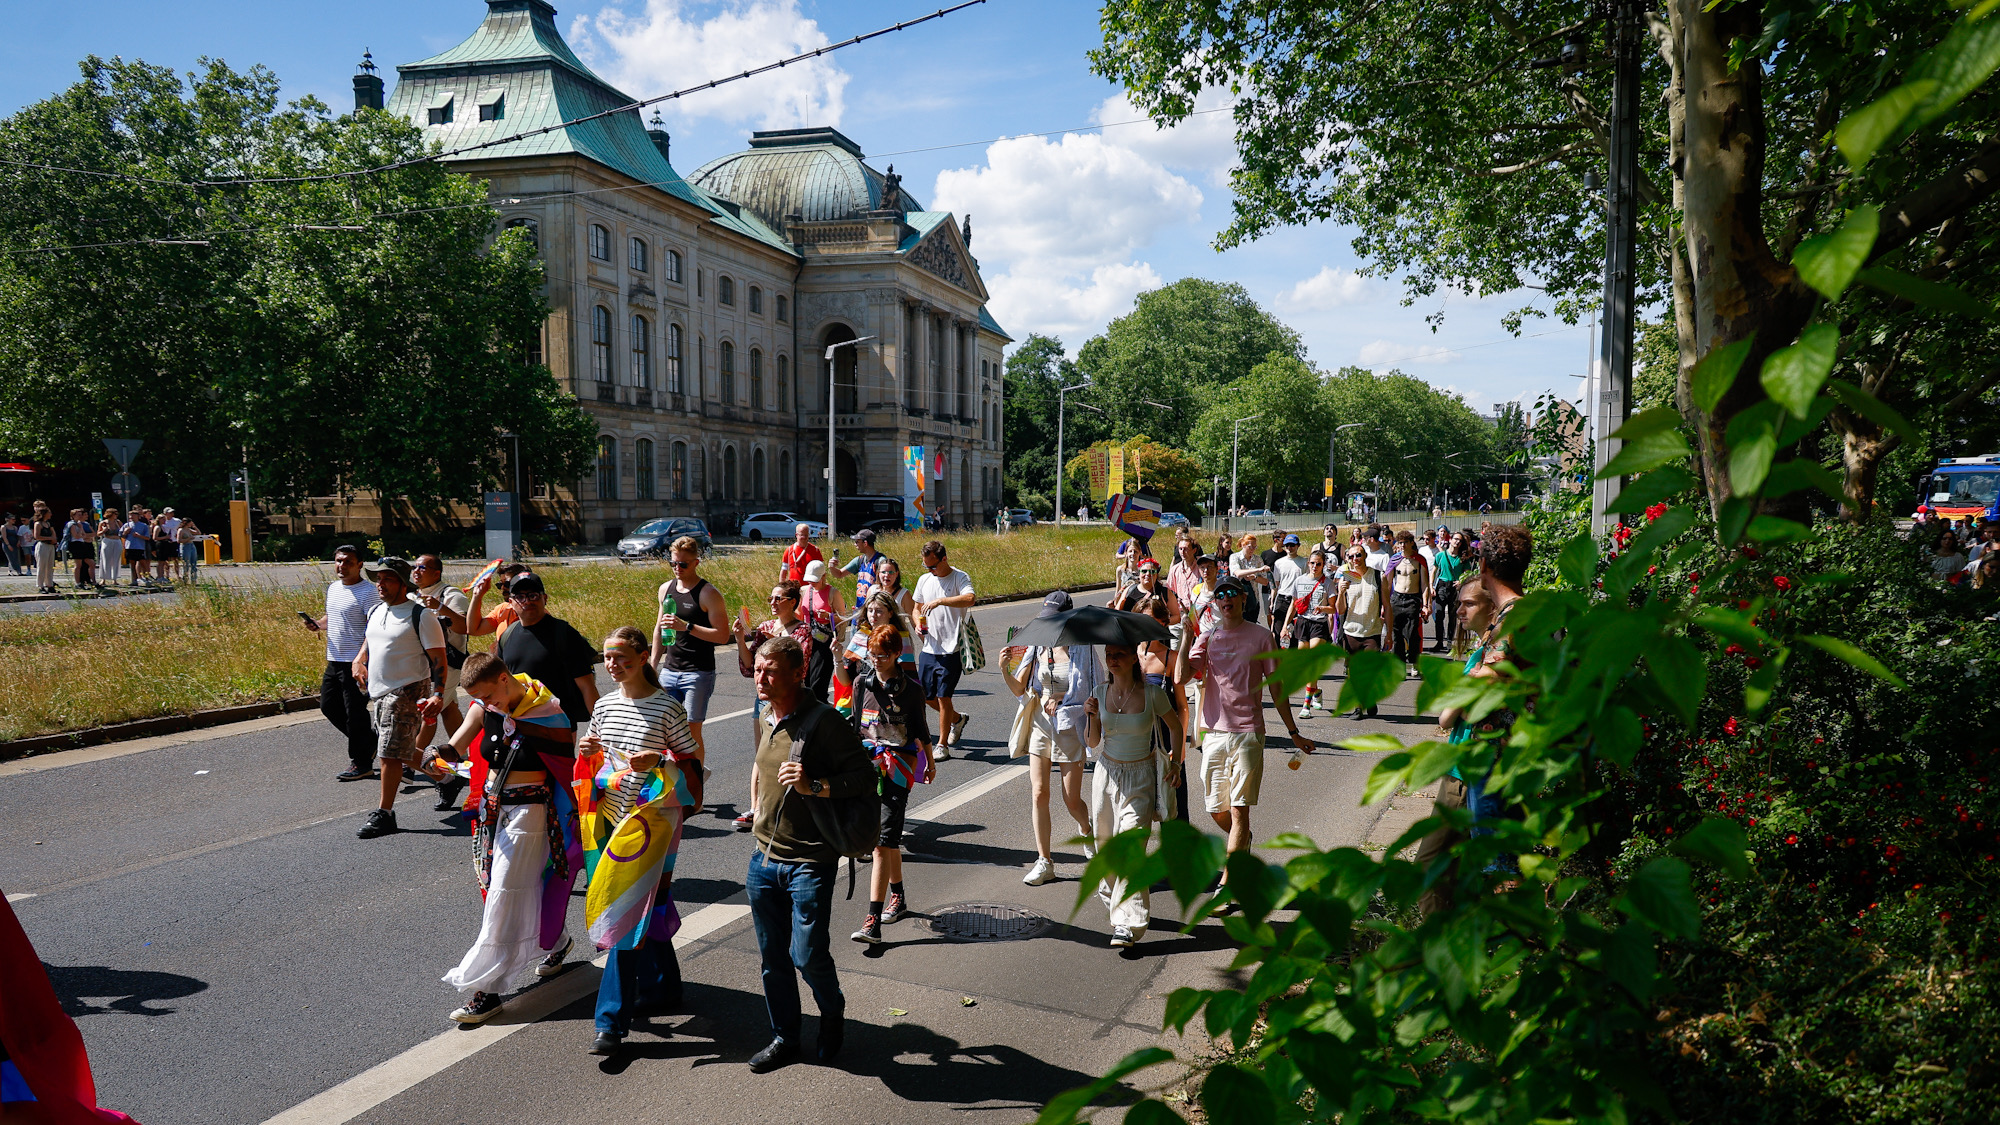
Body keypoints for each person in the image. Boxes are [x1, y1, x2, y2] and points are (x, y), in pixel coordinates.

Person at [745, 635, 875, 1072]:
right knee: (772, 959)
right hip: (763, 859)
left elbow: (863, 778)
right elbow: (761, 769)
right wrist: (757, 808)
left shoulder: (824, 722)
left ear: (798, 674)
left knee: (807, 954)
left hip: (810, 861)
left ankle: (832, 1011)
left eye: (770, 671)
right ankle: (785, 1036)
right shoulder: (766, 715)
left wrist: (814, 785)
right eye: (758, 669)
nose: (760, 678)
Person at [579, 626, 703, 1055]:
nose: (613, 665)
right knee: (647, 904)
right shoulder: (604, 706)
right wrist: (587, 750)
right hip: (611, 821)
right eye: (607, 659)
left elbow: (690, 762)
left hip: (652, 825)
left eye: (621, 657)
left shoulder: (667, 708)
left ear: (641, 657)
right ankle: (665, 987)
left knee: (624, 915)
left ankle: (610, 1023)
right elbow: (597, 762)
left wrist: (661, 758)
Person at [439, 652, 581, 1025]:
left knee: (504, 893)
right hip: (492, 813)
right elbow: (455, 749)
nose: (486, 705)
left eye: (489, 696)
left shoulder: (548, 712)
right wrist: (435, 759)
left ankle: (487, 990)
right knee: (506, 887)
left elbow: (568, 765)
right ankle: (556, 939)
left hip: (531, 812)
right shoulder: (487, 708)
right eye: (480, 700)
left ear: (504, 678)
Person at [1177, 576, 1312, 871]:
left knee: (1239, 810)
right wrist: (1186, 637)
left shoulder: (1262, 637)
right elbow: (1181, 677)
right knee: (1216, 809)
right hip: (1213, 732)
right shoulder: (1208, 637)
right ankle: (1243, 840)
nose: (1226, 599)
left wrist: (1293, 732)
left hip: (1249, 733)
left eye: (1232, 594)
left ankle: (1230, 880)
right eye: (1220, 595)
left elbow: (1277, 689)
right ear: (1216, 602)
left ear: (1243, 599)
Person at [839, 625, 935, 945]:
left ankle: (872, 922)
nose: (876, 660)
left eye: (882, 655)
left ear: (896, 654)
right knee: (890, 840)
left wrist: (931, 763)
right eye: (872, 654)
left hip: (898, 768)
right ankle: (899, 897)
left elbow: (921, 730)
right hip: (868, 767)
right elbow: (855, 728)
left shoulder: (910, 691)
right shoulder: (860, 684)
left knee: (881, 841)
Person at [1083, 642, 1183, 947]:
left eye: (1119, 653)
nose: (1113, 659)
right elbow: (1092, 742)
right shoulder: (1100, 693)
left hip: (1140, 777)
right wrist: (1090, 715)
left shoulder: (1152, 693)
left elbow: (1176, 728)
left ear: (1132, 659)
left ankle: (1130, 923)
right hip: (1106, 776)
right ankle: (1116, 900)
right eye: (1108, 654)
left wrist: (1176, 763)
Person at [1000, 592, 1097, 886]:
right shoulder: (1038, 645)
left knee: (1071, 799)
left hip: (1070, 728)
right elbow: (1021, 689)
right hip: (1042, 725)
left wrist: (1065, 701)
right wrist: (1004, 667)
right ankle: (1045, 862)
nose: (1048, 623)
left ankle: (1086, 828)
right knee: (1039, 793)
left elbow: (1092, 692)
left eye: (1054, 617)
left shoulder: (1083, 647)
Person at [351, 557, 447, 839]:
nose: (380, 584)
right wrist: (359, 659)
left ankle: (385, 814)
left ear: (402, 584)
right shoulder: (376, 610)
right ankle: (447, 778)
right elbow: (371, 638)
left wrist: (439, 694)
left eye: (387, 579)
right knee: (400, 749)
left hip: (407, 691)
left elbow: (438, 658)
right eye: (378, 578)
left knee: (388, 754)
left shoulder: (420, 616)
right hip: (379, 692)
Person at [731, 580, 815, 832]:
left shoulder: (803, 630)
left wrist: (777, 641)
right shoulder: (765, 628)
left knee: (790, 751)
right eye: (771, 598)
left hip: (791, 697)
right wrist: (739, 639)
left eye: (778, 599)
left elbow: (801, 663)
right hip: (765, 698)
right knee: (762, 751)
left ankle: (788, 804)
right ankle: (756, 808)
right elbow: (749, 666)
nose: (773, 603)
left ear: (792, 602)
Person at [305, 545, 383, 781]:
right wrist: (318, 624)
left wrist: (362, 659)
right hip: (335, 659)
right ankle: (369, 743)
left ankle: (361, 763)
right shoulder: (334, 588)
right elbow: (334, 616)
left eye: (348, 561)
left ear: (360, 565)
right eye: (339, 561)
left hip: (358, 662)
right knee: (329, 706)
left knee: (355, 713)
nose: (342, 566)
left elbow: (375, 627)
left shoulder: (369, 592)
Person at [653, 536, 732, 763]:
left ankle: (695, 786)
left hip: (698, 673)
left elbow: (722, 635)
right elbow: (659, 629)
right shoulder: (665, 589)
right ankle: (675, 784)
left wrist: (686, 627)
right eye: (673, 563)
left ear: (696, 563)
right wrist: (652, 665)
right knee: (666, 729)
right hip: (670, 670)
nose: (677, 568)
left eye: (683, 564)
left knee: (690, 731)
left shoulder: (708, 593)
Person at [495, 573, 600, 728]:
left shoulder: (565, 633)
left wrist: (600, 727)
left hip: (559, 726)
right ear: (511, 602)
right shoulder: (506, 636)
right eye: (520, 597)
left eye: (533, 595)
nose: (527, 601)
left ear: (545, 598)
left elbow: (587, 686)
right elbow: (502, 685)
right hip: (519, 724)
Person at [913, 539, 975, 758]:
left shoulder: (959, 577)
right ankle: (957, 719)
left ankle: (942, 745)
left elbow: (970, 598)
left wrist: (941, 601)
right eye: (926, 566)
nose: (930, 570)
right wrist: (918, 624)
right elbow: (916, 607)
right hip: (929, 647)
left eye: (933, 566)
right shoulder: (924, 580)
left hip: (952, 648)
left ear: (944, 559)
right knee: (926, 696)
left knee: (943, 697)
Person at [1335, 543, 1391, 718]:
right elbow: (1340, 610)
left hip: (1372, 631)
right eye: (1351, 557)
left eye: (1358, 555)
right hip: (1351, 631)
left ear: (1365, 556)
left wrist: (1389, 634)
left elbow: (1387, 606)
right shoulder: (1346, 577)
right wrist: (1340, 593)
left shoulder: (1377, 575)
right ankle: (1358, 707)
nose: (1355, 559)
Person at [1284, 550, 1337, 717]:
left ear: (1323, 565)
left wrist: (1322, 608)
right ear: (1308, 563)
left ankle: (1305, 705)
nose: (1315, 566)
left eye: (1319, 564)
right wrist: (1285, 625)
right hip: (1302, 622)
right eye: (1313, 563)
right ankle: (1317, 691)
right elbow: (1293, 605)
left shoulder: (1327, 583)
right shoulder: (1299, 581)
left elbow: (1333, 608)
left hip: (1319, 623)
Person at [1386, 530, 1432, 671]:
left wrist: (1426, 605)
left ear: (1412, 543)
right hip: (1397, 599)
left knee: (1412, 633)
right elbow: (1388, 584)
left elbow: (1425, 584)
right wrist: (1385, 604)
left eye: (1406, 542)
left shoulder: (1419, 560)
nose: (1403, 545)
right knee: (1397, 634)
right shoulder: (1395, 559)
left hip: (1413, 599)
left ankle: (1414, 663)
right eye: (1400, 542)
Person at [799, 559, 845, 700]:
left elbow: (843, 618)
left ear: (824, 576)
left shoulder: (833, 593)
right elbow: (800, 614)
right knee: (804, 680)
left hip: (824, 642)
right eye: (809, 580)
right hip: (807, 640)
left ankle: (820, 711)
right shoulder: (804, 591)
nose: (812, 584)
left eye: (815, 580)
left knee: (818, 682)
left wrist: (829, 616)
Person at [1430, 530, 1474, 652]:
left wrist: (1461, 582)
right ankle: (1439, 641)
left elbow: (1468, 574)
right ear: (1450, 540)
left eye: (1460, 540)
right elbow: (1434, 571)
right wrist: (1431, 586)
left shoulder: (1463, 558)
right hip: (1442, 586)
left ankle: (1449, 641)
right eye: (1455, 539)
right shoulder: (1440, 555)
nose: (1457, 542)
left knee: (1452, 616)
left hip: (1455, 587)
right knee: (1438, 615)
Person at [839, 528, 882, 621]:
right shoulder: (860, 560)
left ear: (865, 543)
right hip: (858, 612)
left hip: (873, 613)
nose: (855, 544)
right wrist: (832, 566)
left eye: (857, 541)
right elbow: (839, 574)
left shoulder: (880, 561)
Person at [1229, 534, 1268, 625]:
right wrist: (1257, 570)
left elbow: (1265, 582)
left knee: (1251, 628)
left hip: (1253, 600)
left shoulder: (1258, 560)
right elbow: (1238, 573)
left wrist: (1255, 577)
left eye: (1255, 547)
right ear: (1243, 545)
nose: (1252, 550)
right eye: (1250, 547)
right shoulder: (1235, 557)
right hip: (1237, 600)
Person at [63, 508, 96, 590]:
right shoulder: (72, 524)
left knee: (90, 562)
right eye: (78, 515)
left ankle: (91, 580)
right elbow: (76, 536)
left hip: (81, 543)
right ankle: (77, 582)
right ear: (73, 515)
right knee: (78, 565)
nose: (80, 516)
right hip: (75, 544)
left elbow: (84, 535)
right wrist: (81, 530)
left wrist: (82, 532)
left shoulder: (79, 524)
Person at [29, 501, 57, 594]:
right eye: (49, 513)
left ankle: (49, 584)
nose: (50, 514)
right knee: (42, 566)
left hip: (50, 546)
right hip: (42, 545)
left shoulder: (48, 524)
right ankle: (40, 585)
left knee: (50, 566)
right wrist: (49, 538)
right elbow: (37, 536)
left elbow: (54, 534)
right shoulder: (38, 524)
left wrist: (54, 540)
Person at [120, 508, 151, 587]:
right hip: (129, 547)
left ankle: (147, 579)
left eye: (133, 516)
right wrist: (125, 532)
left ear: (138, 516)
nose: (131, 517)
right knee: (132, 564)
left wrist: (139, 536)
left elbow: (147, 537)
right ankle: (134, 580)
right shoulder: (126, 525)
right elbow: (121, 535)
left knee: (143, 563)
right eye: (130, 516)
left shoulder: (143, 526)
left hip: (139, 547)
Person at [95, 508, 122, 587]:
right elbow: (98, 534)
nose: (116, 515)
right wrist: (104, 530)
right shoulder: (103, 523)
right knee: (105, 560)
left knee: (116, 559)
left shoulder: (118, 522)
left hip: (117, 541)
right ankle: (104, 578)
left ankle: (115, 579)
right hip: (107, 540)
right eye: (115, 514)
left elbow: (122, 531)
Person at [176, 517, 202, 585]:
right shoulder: (181, 530)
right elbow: (179, 540)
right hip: (185, 546)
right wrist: (188, 538)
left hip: (192, 546)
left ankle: (194, 580)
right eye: (190, 522)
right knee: (186, 564)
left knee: (194, 563)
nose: (191, 524)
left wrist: (194, 527)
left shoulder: (189, 530)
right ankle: (185, 580)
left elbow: (198, 533)